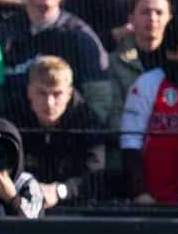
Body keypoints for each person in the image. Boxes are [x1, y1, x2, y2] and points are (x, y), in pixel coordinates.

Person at [120, 11, 178, 206]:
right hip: (155, 204)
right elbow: (130, 142)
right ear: (171, 52)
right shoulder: (147, 84)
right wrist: (140, 193)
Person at [10, 53, 106, 210]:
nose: (49, 103)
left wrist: (60, 190)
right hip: (18, 207)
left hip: (74, 211)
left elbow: (93, 175)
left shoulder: (88, 122)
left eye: (57, 94)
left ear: (69, 93)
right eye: (41, 93)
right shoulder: (10, 118)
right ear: (29, 92)